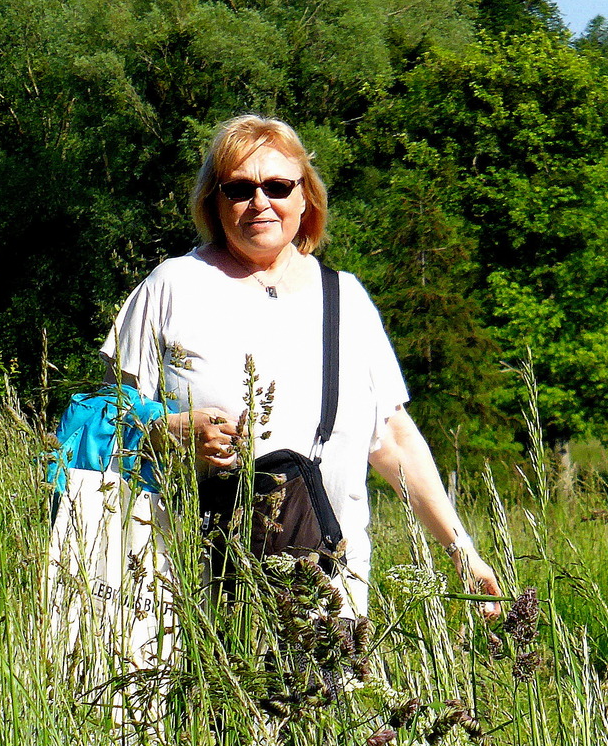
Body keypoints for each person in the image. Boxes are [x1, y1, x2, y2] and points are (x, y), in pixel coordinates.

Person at [102, 114, 501, 617]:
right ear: (215, 201)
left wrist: (461, 552)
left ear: (305, 196)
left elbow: (394, 437)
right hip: (190, 584)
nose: (260, 202)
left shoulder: (346, 298)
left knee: (331, 693)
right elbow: (106, 414)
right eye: (239, 188)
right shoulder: (173, 285)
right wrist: (169, 429)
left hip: (331, 587)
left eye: (277, 185)